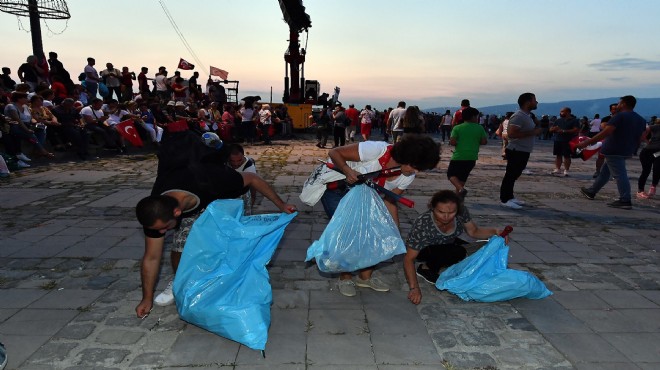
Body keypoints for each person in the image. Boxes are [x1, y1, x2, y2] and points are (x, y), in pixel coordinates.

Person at [134, 130, 295, 318]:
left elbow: (253, 179)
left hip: (225, 196)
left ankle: (231, 286)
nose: (160, 233)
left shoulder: (214, 179)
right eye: (158, 230)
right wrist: (146, 298)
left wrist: (281, 204)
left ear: (177, 213)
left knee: (233, 244)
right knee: (179, 245)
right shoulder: (155, 212)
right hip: (190, 200)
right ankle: (181, 282)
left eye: (163, 228)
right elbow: (151, 258)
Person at [321, 134, 440, 297]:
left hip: (365, 197)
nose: (416, 171)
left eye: (420, 168)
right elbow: (334, 152)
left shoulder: (408, 176)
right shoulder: (377, 150)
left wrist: (393, 230)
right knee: (349, 233)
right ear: (407, 156)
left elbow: (390, 201)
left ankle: (365, 277)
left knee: (378, 234)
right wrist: (347, 169)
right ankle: (345, 277)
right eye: (415, 166)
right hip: (338, 190)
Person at [403, 190, 507, 305]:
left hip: (448, 243)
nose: (446, 217)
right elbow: (409, 258)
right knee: (458, 252)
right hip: (424, 249)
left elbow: (474, 232)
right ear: (432, 208)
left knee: (485, 247)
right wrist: (414, 288)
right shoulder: (423, 223)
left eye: (452, 212)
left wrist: (495, 231)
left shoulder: (461, 213)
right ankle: (426, 268)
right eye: (441, 212)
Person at [578, 95, 647, 209]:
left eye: (619, 103)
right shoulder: (641, 119)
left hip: (613, 149)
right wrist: (634, 148)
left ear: (624, 104)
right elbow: (641, 137)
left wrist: (587, 142)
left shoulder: (619, 116)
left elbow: (606, 132)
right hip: (627, 150)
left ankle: (625, 199)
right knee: (605, 172)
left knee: (620, 174)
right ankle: (591, 191)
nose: (618, 105)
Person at [499, 93, 542, 209]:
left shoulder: (527, 116)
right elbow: (512, 134)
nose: (537, 102)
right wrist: (533, 132)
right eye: (534, 100)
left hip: (523, 150)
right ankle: (504, 199)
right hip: (516, 150)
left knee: (514, 175)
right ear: (528, 102)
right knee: (510, 174)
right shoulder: (518, 116)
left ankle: (510, 196)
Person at [447, 107, 487, 199]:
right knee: (462, 178)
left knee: (451, 174)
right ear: (473, 117)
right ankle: (459, 199)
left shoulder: (458, 127)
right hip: (472, 157)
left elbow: (452, 142)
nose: (477, 118)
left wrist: (459, 143)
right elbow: (484, 141)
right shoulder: (479, 128)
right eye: (477, 116)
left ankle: (461, 190)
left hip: (459, 156)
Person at [549, 107, 580, 177]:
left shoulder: (574, 120)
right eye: (560, 111)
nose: (561, 113)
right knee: (558, 155)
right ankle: (557, 169)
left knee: (567, 156)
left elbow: (576, 130)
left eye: (562, 111)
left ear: (568, 112)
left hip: (568, 140)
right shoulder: (558, 120)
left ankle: (566, 170)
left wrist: (563, 131)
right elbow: (550, 129)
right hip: (558, 139)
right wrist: (553, 129)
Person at [227, 143, 257, 215]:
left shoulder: (249, 169)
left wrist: (251, 203)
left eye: (239, 160)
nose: (236, 164)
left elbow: (253, 190)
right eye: (232, 161)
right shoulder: (224, 162)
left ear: (243, 156)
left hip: (243, 190)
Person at [637, 118, 660, 199]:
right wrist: (647, 141)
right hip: (648, 152)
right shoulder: (656, 127)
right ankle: (640, 191)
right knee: (646, 171)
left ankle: (653, 187)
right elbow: (643, 133)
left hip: (658, 153)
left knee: (657, 170)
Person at [593, 103, 618, 178]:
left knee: (615, 158)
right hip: (606, 140)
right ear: (611, 110)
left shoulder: (623, 118)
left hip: (617, 141)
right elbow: (605, 128)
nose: (616, 110)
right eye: (614, 109)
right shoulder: (606, 118)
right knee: (601, 157)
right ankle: (597, 171)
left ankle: (614, 172)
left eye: (617, 109)